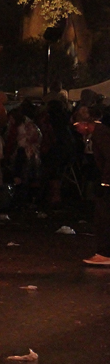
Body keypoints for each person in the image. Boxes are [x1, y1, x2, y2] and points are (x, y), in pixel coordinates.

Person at [74, 108, 110, 266]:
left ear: (85, 124)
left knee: (103, 216)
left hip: (108, 182)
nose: (77, 130)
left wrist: (106, 182)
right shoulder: (99, 133)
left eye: (77, 126)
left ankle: (105, 253)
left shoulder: (100, 135)